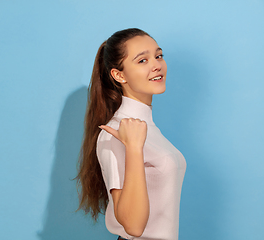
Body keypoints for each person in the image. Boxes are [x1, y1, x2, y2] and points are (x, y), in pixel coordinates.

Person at [76, 28, 186, 240]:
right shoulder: (115, 133)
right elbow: (133, 227)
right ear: (119, 75)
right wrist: (134, 148)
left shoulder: (147, 128)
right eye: (142, 60)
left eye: (158, 55)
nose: (156, 65)